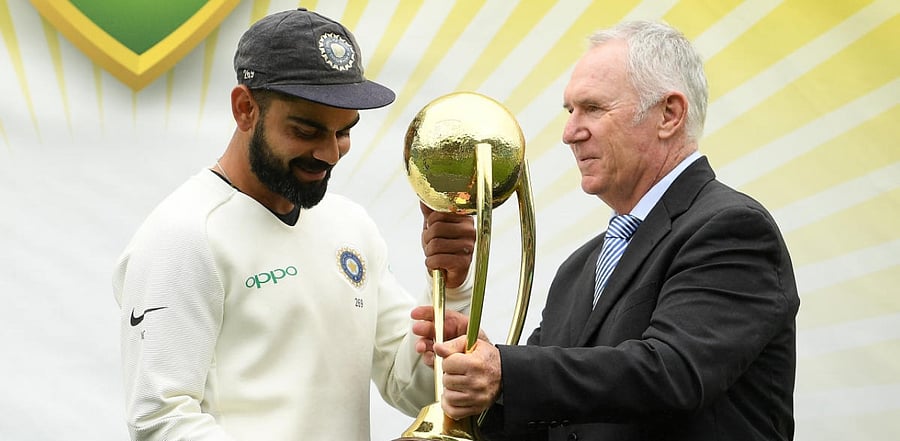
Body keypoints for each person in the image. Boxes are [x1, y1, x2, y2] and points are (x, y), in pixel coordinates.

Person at [412, 20, 800, 441]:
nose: (569, 133)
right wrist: (477, 367)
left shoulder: (732, 229)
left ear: (669, 114)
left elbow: (673, 373)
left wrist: (508, 371)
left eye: (593, 108)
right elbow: (550, 416)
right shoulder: (579, 268)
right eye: (570, 111)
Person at [112, 8, 476, 441]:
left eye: (344, 132)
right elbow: (159, 421)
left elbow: (413, 388)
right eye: (306, 130)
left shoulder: (351, 225)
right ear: (245, 109)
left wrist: (451, 286)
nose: (330, 153)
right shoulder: (182, 236)